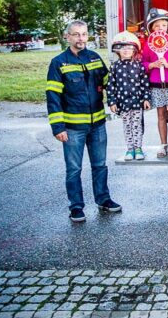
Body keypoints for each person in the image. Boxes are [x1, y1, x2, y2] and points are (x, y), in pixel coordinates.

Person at [46, 20, 121, 222]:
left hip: (97, 124)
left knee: (99, 165)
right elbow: (53, 97)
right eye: (76, 34)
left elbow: (109, 83)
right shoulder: (58, 63)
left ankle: (103, 200)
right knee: (74, 169)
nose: (81, 38)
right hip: (72, 129)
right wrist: (58, 127)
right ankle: (76, 207)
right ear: (67, 37)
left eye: (84, 34)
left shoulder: (95, 58)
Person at [141, 8, 168, 158]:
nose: (161, 28)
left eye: (164, 25)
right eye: (157, 26)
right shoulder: (148, 45)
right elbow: (143, 63)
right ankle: (163, 144)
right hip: (156, 84)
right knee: (160, 115)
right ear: (152, 28)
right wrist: (151, 65)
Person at [106, 31, 151, 161]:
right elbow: (110, 85)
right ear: (117, 50)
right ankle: (130, 149)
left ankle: (138, 148)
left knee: (137, 125)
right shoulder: (114, 67)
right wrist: (112, 102)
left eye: (129, 48)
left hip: (137, 102)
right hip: (122, 103)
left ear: (134, 50)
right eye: (122, 47)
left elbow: (144, 84)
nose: (126, 50)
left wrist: (146, 99)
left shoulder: (139, 67)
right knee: (127, 126)